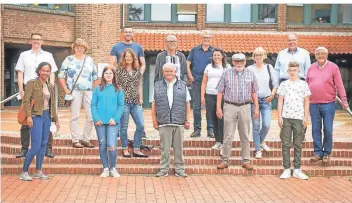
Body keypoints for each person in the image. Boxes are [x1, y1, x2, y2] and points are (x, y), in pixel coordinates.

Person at [15, 33, 58, 159]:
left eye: (38, 40)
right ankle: (24, 149)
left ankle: (48, 149)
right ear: (30, 41)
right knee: (25, 119)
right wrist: (21, 90)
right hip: (29, 91)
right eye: (34, 39)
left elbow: (52, 73)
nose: (36, 41)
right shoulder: (24, 55)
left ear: (42, 41)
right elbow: (20, 73)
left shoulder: (48, 55)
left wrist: (49, 88)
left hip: (43, 91)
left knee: (46, 118)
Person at [216, 53, 259, 171]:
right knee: (228, 135)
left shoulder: (251, 74)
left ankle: (246, 160)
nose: (239, 64)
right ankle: (225, 160)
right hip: (229, 106)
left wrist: (256, 107)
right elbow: (220, 91)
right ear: (233, 62)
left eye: (241, 61)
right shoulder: (226, 73)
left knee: (245, 134)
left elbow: (254, 92)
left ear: (245, 62)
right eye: (236, 61)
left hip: (245, 106)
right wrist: (218, 108)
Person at [307, 47, 349, 164]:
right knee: (315, 129)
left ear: (327, 55)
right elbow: (306, 86)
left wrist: (344, 101)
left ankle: (327, 153)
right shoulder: (311, 68)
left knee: (328, 129)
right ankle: (318, 153)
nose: (320, 55)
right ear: (315, 56)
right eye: (318, 54)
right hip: (313, 103)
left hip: (328, 103)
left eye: (323, 53)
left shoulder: (333, 67)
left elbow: (339, 85)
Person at [20, 62, 60, 181]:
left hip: (47, 116)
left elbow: (52, 104)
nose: (45, 73)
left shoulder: (50, 86)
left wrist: (56, 120)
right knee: (36, 145)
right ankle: (24, 171)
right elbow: (26, 101)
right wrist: (28, 116)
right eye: (43, 70)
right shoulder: (32, 83)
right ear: (38, 71)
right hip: (36, 115)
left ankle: (38, 171)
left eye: (48, 71)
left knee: (43, 144)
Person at [58, 38, 99, 148]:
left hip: (89, 91)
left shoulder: (89, 60)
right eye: (77, 46)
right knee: (74, 116)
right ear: (74, 48)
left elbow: (95, 76)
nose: (79, 48)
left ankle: (86, 139)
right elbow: (61, 75)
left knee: (91, 116)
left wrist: (97, 91)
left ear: (85, 48)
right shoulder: (69, 59)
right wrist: (66, 90)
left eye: (82, 47)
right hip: (74, 91)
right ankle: (75, 140)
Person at [152, 63, 191, 177]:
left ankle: (180, 170)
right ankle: (164, 170)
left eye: (171, 71)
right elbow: (154, 105)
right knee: (165, 149)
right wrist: (154, 120)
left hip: (179, 122)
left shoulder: (183, 85)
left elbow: (187, 104)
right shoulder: (157, 85)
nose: (169, 73)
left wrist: (187, 120)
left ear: (175, 72)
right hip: (164, 123)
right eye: (167, 71)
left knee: (179, 148)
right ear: (163, 72)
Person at [109, 25, 147, 140]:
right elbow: (111, 64)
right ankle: (120, 134)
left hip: (134, 80)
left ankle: (141, 135)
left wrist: (139, 74)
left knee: (139, 117)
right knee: (122, 114)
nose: (128, 34)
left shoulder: (138, 47)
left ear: (133, 34)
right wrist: (120, 75)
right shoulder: (116, 47)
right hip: (122, 82)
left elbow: (143, 63)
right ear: (123, 34)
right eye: (126, 32)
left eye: (130, 32)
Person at [277, 61, 311, 180]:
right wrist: (279, 116)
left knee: (298, 144)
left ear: (298, 71)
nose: (292, 72)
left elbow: (306, 102)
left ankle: (297, 169)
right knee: (285, 144)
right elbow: (280, 101)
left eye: (294, 70)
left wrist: (306, 117)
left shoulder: (304, 84)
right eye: (290, 70)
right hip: (286, 117)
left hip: (299, 118)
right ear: (288, 71)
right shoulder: (284, 84)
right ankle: (286, 169)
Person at [91, 66, 124, 178]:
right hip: (100, 122)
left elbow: (121, 106)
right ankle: (105, 167)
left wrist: (115, 119)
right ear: (103, 75)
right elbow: (93, 104)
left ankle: (113, 167)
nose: (108, 75)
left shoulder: (118, 89)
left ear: (114, 75)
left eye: (111, 73)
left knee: (111, 145)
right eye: (106, 73)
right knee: (102, 144)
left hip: (112, 123)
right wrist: (96, 118)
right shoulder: (97, 89)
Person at [247, 47, 278, 159]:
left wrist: (272, 95)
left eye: (260, 55)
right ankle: (258, 150)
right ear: (254, 57)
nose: (258, 57)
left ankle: (260, 141)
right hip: (253, 101)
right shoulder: (249, 69)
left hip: (266, 100)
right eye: (256, 55)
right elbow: (246, 85)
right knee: (255, 126)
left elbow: (275, 84)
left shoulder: (269, 68)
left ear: (264, 56)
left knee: (266, 124)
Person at [116, 48, 147, 158]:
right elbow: (116, 86)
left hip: (135, 102)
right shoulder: (119, 70)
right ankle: (125, 149)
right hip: (123, 102)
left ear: (133, 58)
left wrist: (141, 98)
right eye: (126, 56)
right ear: (124, 58)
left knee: (141, 125)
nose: (128, 58)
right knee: (124, 127)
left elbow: (139, 86)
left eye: (130, 56)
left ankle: (136, 148)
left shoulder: (137, 71)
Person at [201, 48, 230, 150]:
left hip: (223, 97)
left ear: (222, 56)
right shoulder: (208, 67)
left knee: (221, 119)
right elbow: (204, 82)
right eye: (214, 55)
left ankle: (223, 141)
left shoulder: (227, 68)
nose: (216, 57)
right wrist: (202, 96)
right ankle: (217, 141)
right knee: (213, 118)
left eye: (218, 55)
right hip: (210, 95)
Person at [187, 30, 214, 138]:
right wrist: (190, 75)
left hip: (210, 83)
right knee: (197, 107)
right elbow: (187, 63)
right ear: (201, 38)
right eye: (204, 37)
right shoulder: (194, 50)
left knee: (209, 107)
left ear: (211, 39)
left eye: (208, 38)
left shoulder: (214, 51)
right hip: (197, 82)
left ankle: (210, 129)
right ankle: (197, 130)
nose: (206, 39)